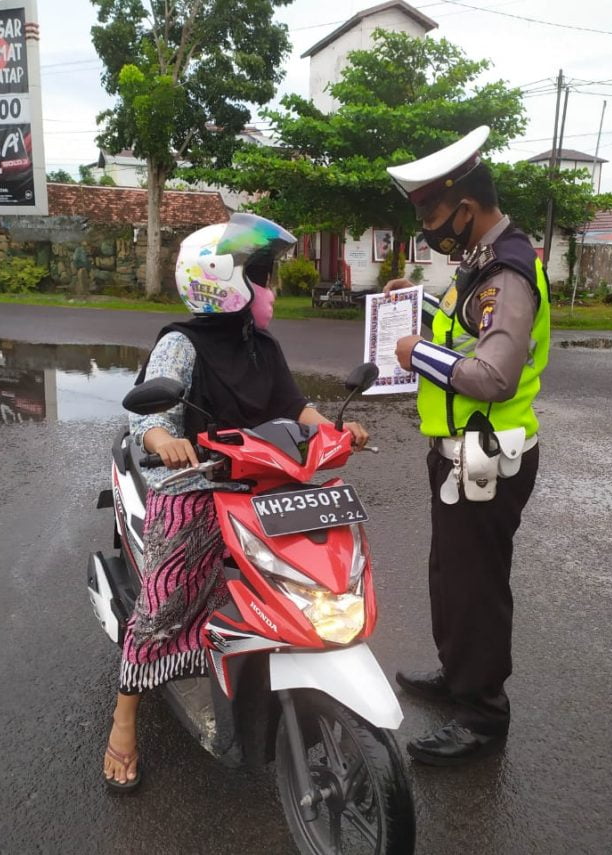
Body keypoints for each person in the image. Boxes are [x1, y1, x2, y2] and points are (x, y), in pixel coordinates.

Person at [103, 213, 368, 790]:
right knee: (163, 605)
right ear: (225, 281)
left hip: (263, 484)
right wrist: (164, 442)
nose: (271, 288)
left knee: (310, 575)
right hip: (197, 487)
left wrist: (335, 429)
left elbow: (294, 406)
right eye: (263, 275)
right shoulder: (181, 344)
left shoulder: (261, 343)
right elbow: (149, 414)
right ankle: (124, 721)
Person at [383, 125, 550, 765]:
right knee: (451, 576)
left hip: (488, 456)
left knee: (476, 586)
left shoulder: (507, 272)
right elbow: (467, 331)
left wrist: (416, 352)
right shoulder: (481, 262)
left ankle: (482, 715)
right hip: (461, 452)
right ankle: (458, 675)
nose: (428, 231)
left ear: (467, 207)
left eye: (431, 217)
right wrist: (420, 308)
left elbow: (493, 374)